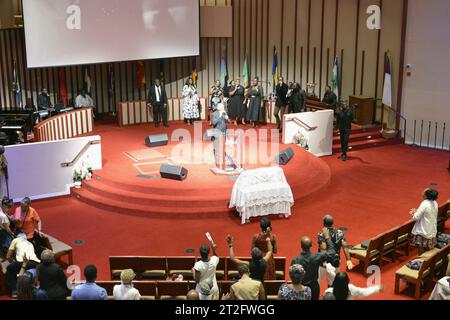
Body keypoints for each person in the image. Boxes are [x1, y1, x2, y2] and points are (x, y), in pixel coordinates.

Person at [291, 228, 336, 300]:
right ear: (311, 245)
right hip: (314, 287)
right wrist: (327, 237)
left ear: (301, 246)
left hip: (300, 287)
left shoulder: (295, 260)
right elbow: (332, 252)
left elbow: (292, 275)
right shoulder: (317, 257)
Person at [318, 214, 354, 287]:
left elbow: (323, 248)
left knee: (317, 282)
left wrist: (324, 262)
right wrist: (348, 260)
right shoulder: (340, 233)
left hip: (323, 263)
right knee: (332, 284)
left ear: (323, 223)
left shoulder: (321, 234)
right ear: (332, 223)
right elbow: (345, 246)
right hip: (335, 261)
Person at [5, 233, 41, 297]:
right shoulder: (30, 243)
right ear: (25, 238)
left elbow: (8, 256)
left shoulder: (15, 240)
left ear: (18, 237)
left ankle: (14, 291)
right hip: (35, 263)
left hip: (22, 262)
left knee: (10, 269)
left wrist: (12, 262)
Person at [410, 189, 439, 254]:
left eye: (423, 192)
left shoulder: (424, 203)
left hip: (423, 231)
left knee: (421, 249)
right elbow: (428, 212)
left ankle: (423, 261)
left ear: (426, 196)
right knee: (428, 249)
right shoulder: (435, 203)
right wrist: (417, 210)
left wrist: (413, 213)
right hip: (431, 229)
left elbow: (416, 217)